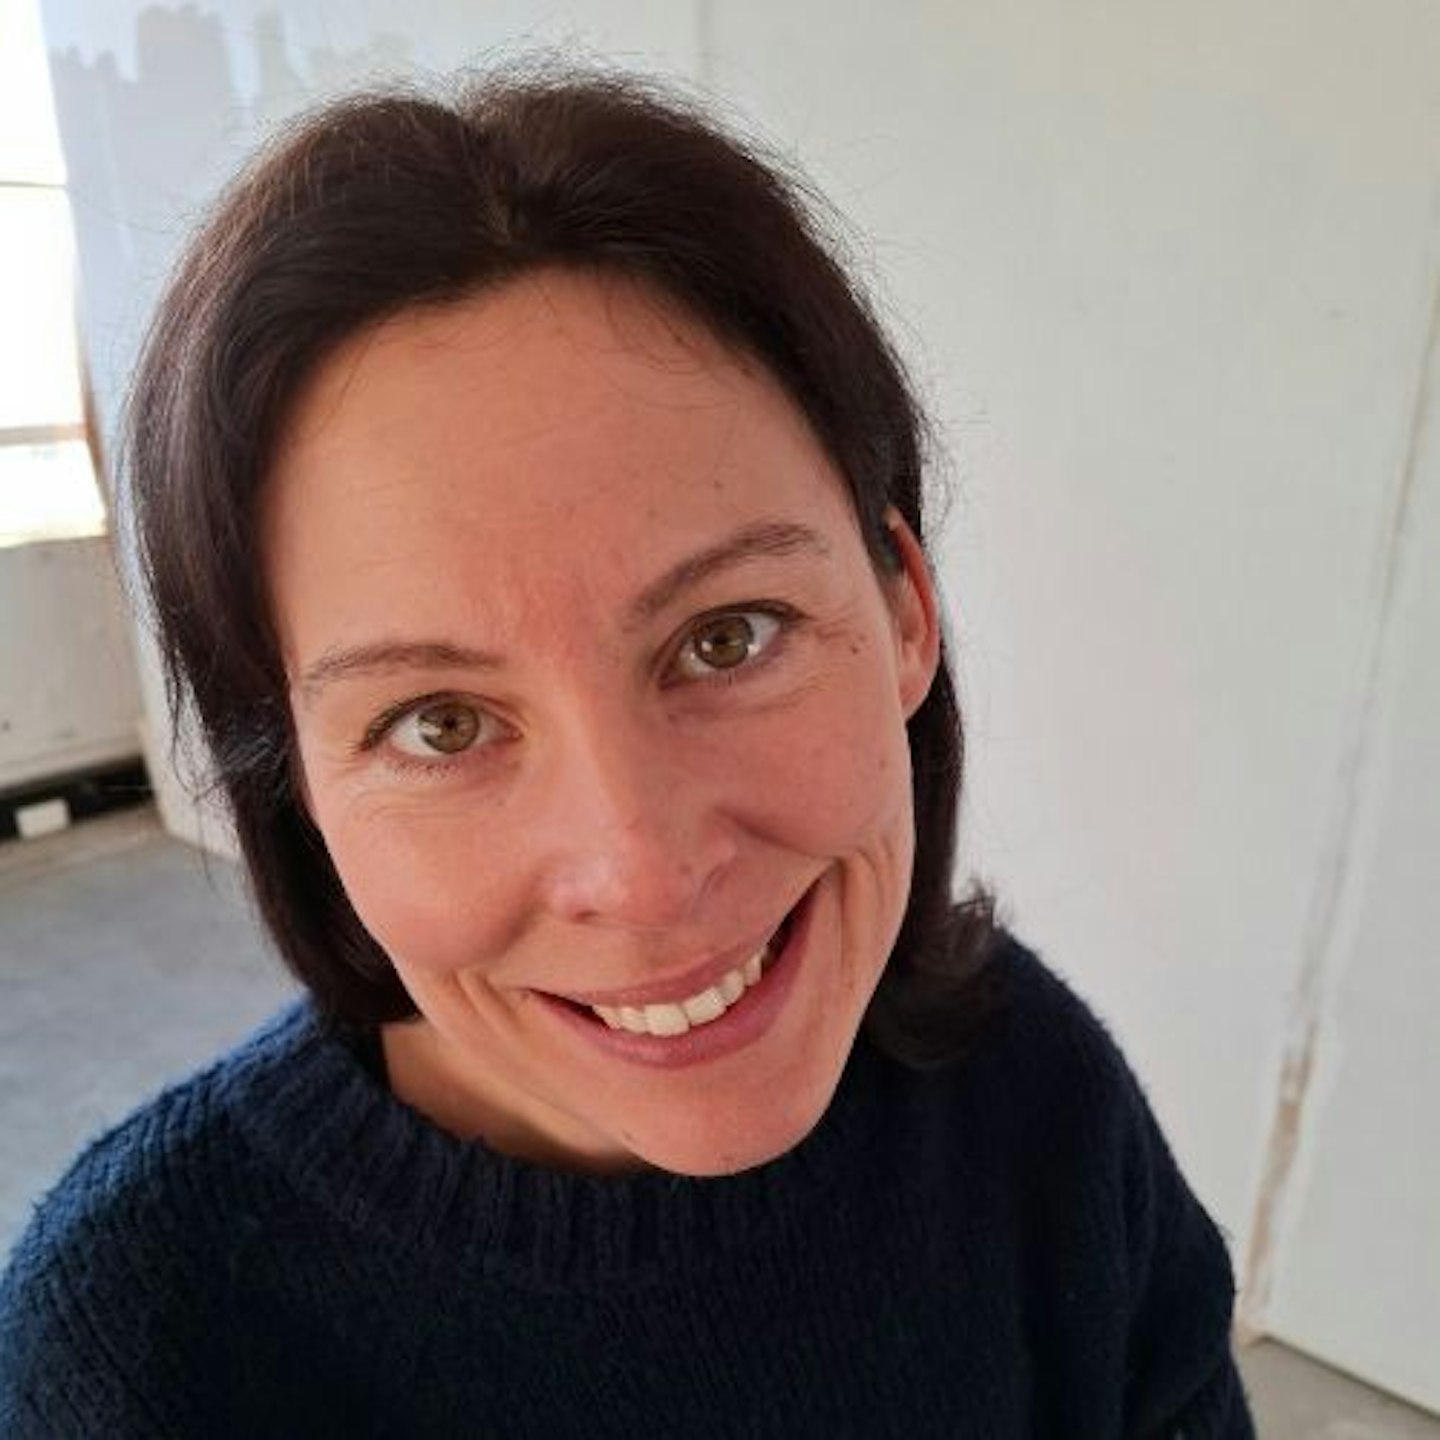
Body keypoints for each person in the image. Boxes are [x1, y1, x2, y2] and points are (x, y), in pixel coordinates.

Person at [0, 66, 1254, 1437]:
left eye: (729, 637)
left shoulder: (1034, 1104)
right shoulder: (136, 1352)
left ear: (903, 610)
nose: (645, 874)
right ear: (294, 776)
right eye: (441, 725)